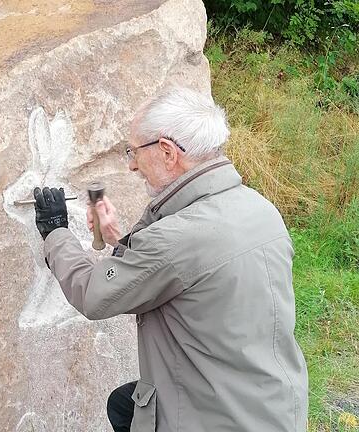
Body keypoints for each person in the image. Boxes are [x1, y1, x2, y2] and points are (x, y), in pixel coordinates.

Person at [32, 87, 308, 431]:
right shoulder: (259, 209)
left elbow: (94, 293)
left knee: (128, 408)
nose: (132, 164)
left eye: (133, 151)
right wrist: (120, 241)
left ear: (167, 152)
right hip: (268, 405)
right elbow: (184, 272)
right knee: (123, 405)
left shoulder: (177, 238)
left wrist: (56, 233)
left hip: (213, 418)